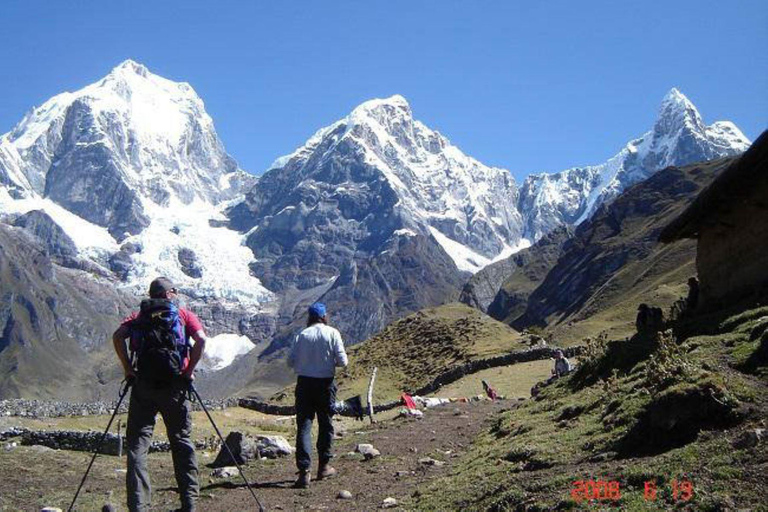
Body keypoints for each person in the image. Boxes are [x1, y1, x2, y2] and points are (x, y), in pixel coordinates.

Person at [112, 277, 207, 512]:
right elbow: (201, 340)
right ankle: (189, 503)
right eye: (174, 291)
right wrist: (188, 371)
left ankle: (139, 506)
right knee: (181, 440)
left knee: (137, 445)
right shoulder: (183, 315)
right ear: (169, 294)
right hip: (176, 386)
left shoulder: (138, 317)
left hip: (143, 385)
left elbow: (117, 336)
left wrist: (128, 369)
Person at [287, 302, 348, 489]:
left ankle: (304, 472)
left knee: (304, 426)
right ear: (323, 316)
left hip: (304, 383)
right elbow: (343, 361)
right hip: (325, 384)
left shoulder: (301, 335)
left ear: (310, 317)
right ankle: (324, 466)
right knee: (325, 424)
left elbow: (290, 362)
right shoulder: (332, 333)